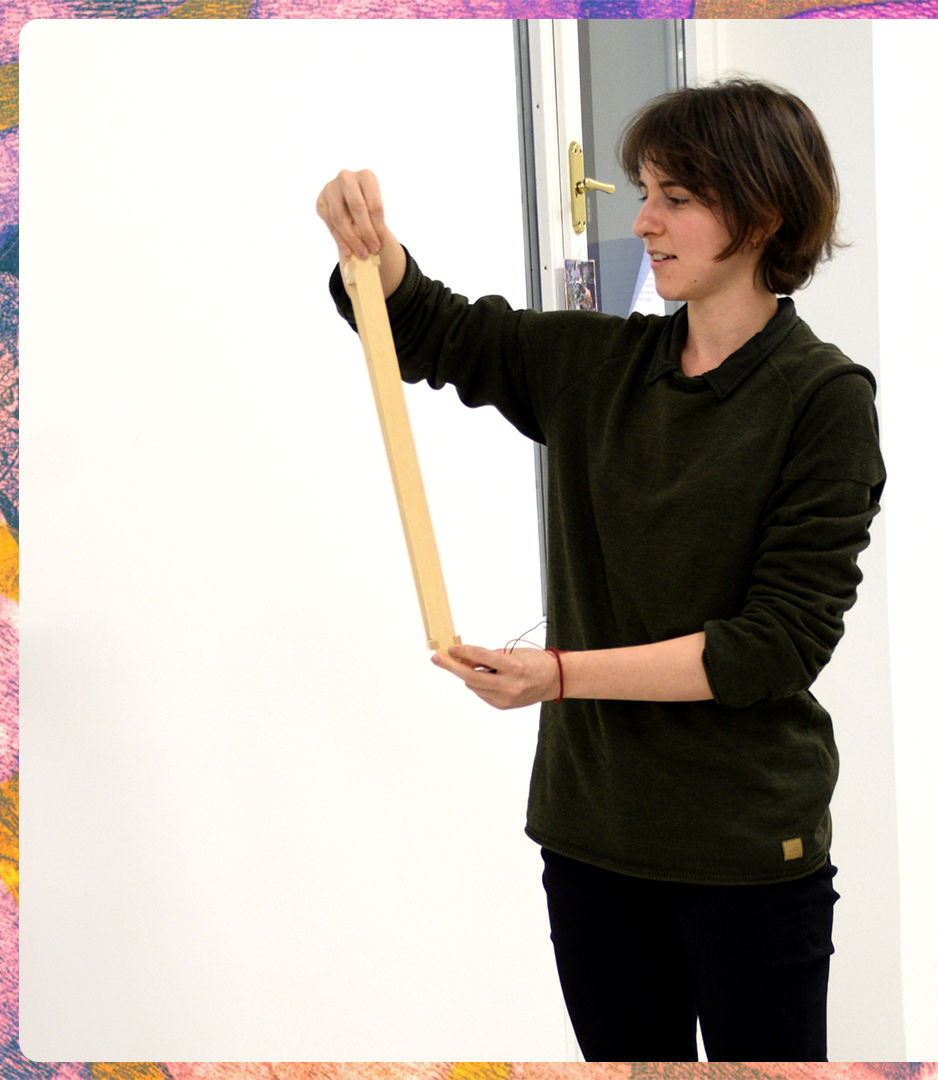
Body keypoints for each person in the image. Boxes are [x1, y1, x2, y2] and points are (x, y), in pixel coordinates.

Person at [316, 77, 886, 1064]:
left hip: (746, 851)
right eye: (645, 191)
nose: (644, 220)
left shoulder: (823, 400)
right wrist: (370, 249)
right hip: (590, 840)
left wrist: (560, 675)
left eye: (677, 198)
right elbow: (434, 329)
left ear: (764, 218)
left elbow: (771, 648)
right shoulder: (598, 365)